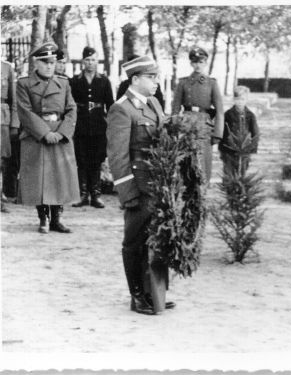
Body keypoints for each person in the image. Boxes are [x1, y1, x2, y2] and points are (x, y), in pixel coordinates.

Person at [107, 55, 175, 315]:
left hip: (158, 183)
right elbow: (117, 156)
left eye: (156, 76)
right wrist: (127, 192)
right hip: (139, 185)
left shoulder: (155, 103)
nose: (156, 81)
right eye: (151, 77)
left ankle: (154, 294)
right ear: (135, 79)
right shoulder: (121, 109)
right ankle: (137, 296)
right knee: (134, 242)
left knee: (156, 240)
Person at [16, 42, 79, 233]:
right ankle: (43, 218)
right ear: (36, 63)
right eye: (45, 62)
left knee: (59, 177)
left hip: (60, 134)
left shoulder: (64, 83)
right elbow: (24, 111)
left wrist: (61, 132)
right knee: (40, 179)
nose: (49, 66)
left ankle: (56, 219)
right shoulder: (24, 83)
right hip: (37, 135)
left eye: (52, 62)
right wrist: (45, 133)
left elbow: (72, 109)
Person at [172, 46, 224, 184]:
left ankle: (203, 191)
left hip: (203, 125)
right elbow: (175, 108)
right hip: (187, 123)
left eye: (201, 62)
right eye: (195, 62)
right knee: (186, 159)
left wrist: (218, 133)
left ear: (205, 63)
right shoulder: (183, 83)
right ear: (191, 63)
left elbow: (219, 110)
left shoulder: (211, 83)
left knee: (204, 160)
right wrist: (174, 127)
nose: (198, 65)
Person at [70, 47, 114, 208]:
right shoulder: (74, 81)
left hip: (98, 126)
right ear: (83, 61)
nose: (90, 63)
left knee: (96, 160)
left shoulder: (103, 80)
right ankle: (82, 195)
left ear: (97, 61)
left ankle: (96, 194)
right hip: (81, 125)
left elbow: (110, 105)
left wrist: (111, 125)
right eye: (87, 60)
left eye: (93, 60)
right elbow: (70, 104)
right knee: (81, 160)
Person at [219, 85, 259, 177]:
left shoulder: (250, 116)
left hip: (244, 151)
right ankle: (229, 190)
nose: (240, 102)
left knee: (242, 173)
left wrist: (252, 148)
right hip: (229, 150)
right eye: (237, 99)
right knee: (229, 173)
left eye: (242, 99)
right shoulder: (228, 115)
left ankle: (240, 191)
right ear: (233, 99)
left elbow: (255, 133)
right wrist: (222, 150)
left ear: (246, 100)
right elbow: (223, 133)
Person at [1, 60, 20, 213]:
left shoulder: (7, 68)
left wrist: (14, 123)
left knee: (1, 160)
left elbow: (13, 99)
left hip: (2, 117)